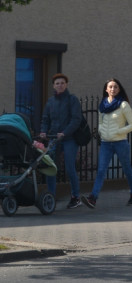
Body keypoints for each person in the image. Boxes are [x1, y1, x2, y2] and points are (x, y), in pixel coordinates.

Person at [83, 78, 132, 208]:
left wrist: (119, 131)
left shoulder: (123, 105)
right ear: (106, 89)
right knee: (101, 170)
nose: (113, 89)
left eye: (116, 87)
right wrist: (102, 132)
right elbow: (101, 122)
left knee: (127, 169)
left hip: (120, 142)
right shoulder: (102, 105)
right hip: (106, 143)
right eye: (110, 87)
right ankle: (93, 198)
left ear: (119, 90)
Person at [39, 72, 85, 209]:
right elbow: (45, 119)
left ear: (66, 85)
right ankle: (51, 197)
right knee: (51, 168)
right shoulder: (50, 102)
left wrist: (64, 133)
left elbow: (76, 119)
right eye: (57, 83)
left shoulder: (72, 100)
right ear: (53, 86)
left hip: (69, 139)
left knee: (70, 168)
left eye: (62, 83)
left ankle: (76, 197)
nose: (60, 85)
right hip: (54, 139)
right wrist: (43, 131)